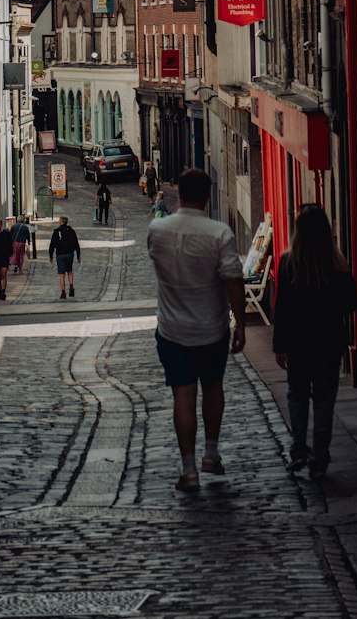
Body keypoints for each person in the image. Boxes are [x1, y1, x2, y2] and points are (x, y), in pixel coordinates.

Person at [146, 166, 246, 492]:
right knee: (213, 388)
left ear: (179, 194)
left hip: (173, 328)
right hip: (211, 328)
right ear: (207, 196)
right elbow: (232, 279)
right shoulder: (220, 234)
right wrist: (240, 322)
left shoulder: (157, 230)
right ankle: (211, 454)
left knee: (183, 395)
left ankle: (188, 469)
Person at [272, 204, 357, 479]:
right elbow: (351, 303)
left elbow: (281, 308)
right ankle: (319, 457)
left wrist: (279, 346)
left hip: (298, 344)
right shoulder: (335, 265)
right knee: (324, 400)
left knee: (297, 397)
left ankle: (298, 450)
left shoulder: (288, 263)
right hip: (328, 343)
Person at [49, 214, 81, 299]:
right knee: (69, 271)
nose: (58, 222)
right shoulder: (71, 231)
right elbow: (76, 243)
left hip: (60, 255)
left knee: (62, 274)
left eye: (59, 220)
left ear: (61, 222)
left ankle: (63, 292)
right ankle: (71, 287)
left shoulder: (56, 231)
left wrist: (50, 255)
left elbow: (52, 244)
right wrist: (78, 255)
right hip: (69, 254)